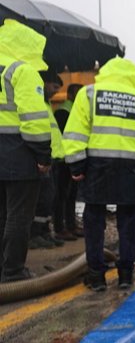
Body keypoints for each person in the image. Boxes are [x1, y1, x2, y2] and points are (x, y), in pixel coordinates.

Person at [63, 57, 135, 291]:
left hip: (97, 166)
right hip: (130, 167)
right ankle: (126, 275)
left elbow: (75, 133)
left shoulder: (89, 95)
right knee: (128, 222)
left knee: (94, 220)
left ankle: (97, 277)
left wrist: (77, 166)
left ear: (105, 73)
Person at [0, 19, 52, 282]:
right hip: (17, 155)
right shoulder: (22, 70)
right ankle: (12, 271)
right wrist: (43, 155)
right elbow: (34, 120)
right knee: (18, 216)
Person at [29, 70, 65, 249]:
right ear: (45, 83)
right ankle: (34, 234)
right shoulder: (36, 101)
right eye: (54, 87)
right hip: (43, 158)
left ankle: (44, 232)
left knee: (50, 198)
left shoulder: (47, 103)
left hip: (53, 158)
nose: (56, 92)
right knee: (42, 198)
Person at [53, 83, 84, 240]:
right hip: (64, 159)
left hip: (74, 158)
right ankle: (60, 228)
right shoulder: (63, 111)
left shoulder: (76, 111)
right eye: (78, 94)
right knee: (61, 194)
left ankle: (71, 225)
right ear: (70, 95)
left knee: (71, 194)